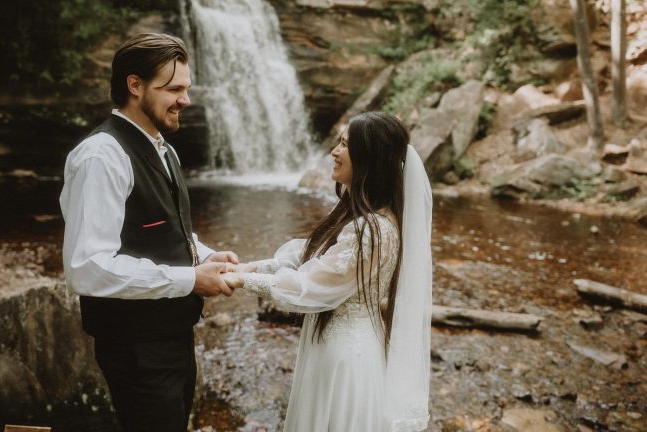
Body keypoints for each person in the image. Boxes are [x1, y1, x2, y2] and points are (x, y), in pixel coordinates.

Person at [59, 33, 239, 432]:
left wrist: (204, 255)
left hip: (174, 338)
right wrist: (191, 279)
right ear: (134, 85)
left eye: (186, 89)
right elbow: (87, 267)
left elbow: (162, 227)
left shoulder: (164, 149)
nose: (185, 100)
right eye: (173, 89)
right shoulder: (101, 157)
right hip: (135, 349)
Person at [224, 112, 432, 432]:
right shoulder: (359, 213)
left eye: (345, 145)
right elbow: (312, 254)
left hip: (347, 359)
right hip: (334, 348)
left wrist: (242, 280)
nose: (333, 152)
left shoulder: (373, 229)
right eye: (338, 142)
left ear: (369, 158)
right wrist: (251, 266)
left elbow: (311, 285)